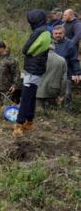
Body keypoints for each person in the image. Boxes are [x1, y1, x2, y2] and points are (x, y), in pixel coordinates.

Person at [13, 9, 51, 137]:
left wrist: (28, 52)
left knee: (26, 98)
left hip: (33, 69)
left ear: (35, 20)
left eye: (30, 20)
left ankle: (19, 125)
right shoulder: (46, 30)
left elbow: (26, 49)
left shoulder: (39, 31)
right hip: (38, 68)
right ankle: (29, 122)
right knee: (31, 96)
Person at [52, 25, 81, 109]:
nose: (58, 35)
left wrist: (77, 73)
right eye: (56, 33)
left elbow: (74, 60)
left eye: (60, 33)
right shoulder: (50, 43)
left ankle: (68, 109)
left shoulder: (70, 44)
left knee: (67, 93)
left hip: (66, 73)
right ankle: (53, 109)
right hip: (52, 72)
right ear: (53, 34)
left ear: (64, 33)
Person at [36, 45, 67, 110]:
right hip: (54, 91)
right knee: (52, 111)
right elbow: (64, 80)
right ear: (54, 48)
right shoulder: (62, 60)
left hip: (39, 90)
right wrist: (61, 94)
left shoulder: (37, 58)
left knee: (38, 111)